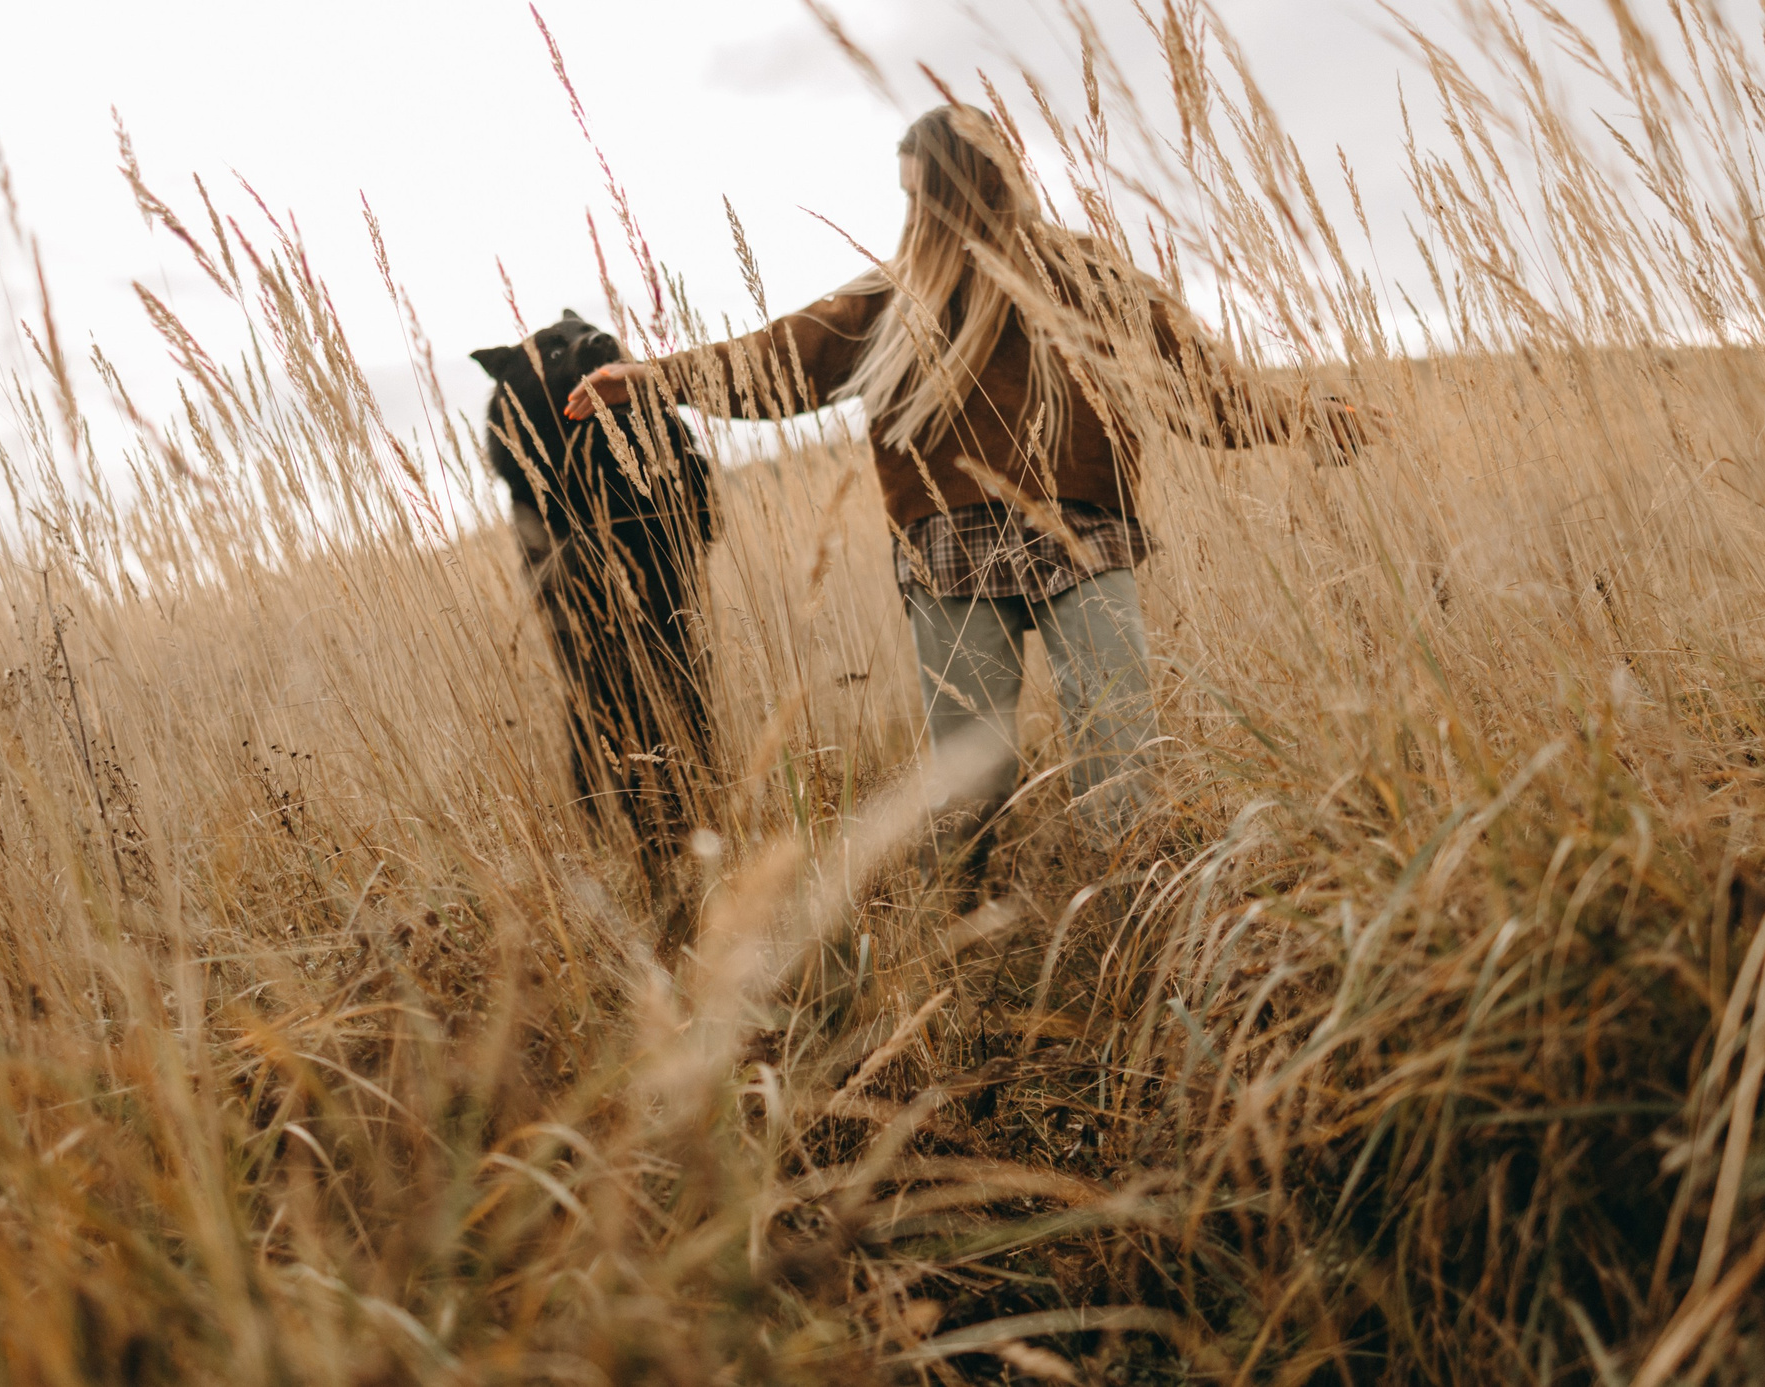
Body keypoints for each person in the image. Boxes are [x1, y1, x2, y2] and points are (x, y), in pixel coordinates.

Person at [565, 103, 1368, 887]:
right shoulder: (889, 299)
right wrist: (657, 378)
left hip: (1084, 534)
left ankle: (1137, 921)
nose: (911, 213)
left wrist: (1307, 419)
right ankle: (954, 930)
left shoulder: (1088, 277)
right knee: (969, 773)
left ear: (970, 184)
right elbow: (779, 361)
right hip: (950, 547)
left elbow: (1199, 384)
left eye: (922, 193)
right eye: (905, 196)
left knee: (1119, 750)